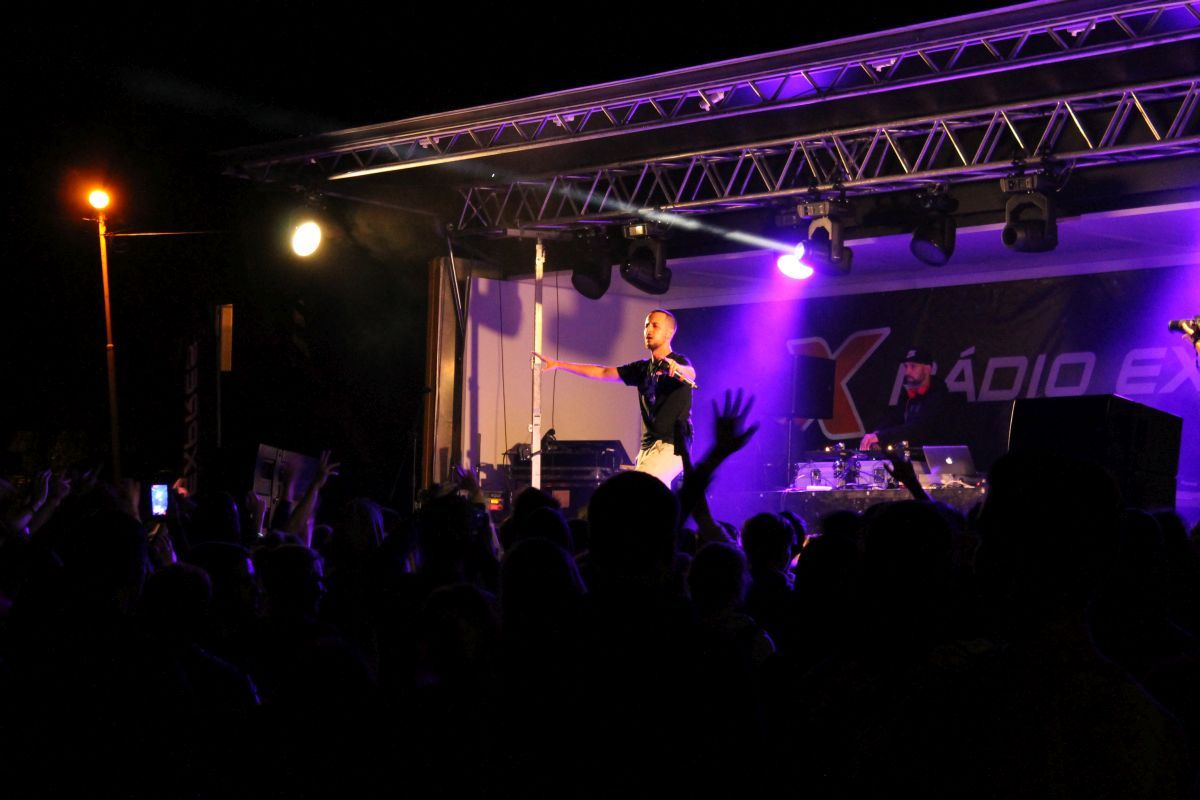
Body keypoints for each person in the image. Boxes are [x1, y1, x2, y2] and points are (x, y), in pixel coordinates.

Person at [533, 309, 696, 486]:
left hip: (672, 445)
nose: (648, 330)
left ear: (669, 333)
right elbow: (602, 372)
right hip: (648, 448)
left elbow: (691, 374)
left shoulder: (679, 361)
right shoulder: (641, 369)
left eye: (655, 326)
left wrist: (677, 368)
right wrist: (558, 364)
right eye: (646, 325)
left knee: (644, 487)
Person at [859, 347, 950, 451]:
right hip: (911, 455)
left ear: (927, 369)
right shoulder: (908, 396)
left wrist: (881, 437)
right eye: (906, 367)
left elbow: (917, 428)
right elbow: (893, 419)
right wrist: (877, 433)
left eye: (913, 366)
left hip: (934, 456)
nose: (907, 372)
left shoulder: (939, 396)